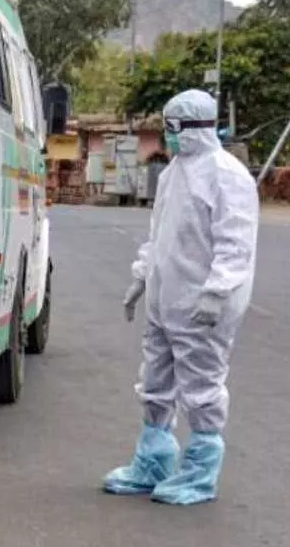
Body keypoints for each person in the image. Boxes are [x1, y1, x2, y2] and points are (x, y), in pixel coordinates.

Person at [105, 89, 258, 505]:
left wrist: (217, 292)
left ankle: (199, 473)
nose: (167, 136)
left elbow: (235, 243)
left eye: (171, 127)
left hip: (202, 305)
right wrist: (141, 278)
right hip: (164, 298)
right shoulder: (175, 173)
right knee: (156, 380)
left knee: (202, 386)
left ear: (191, 127)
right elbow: (160, 237)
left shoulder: (227, 175)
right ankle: (152, 462)